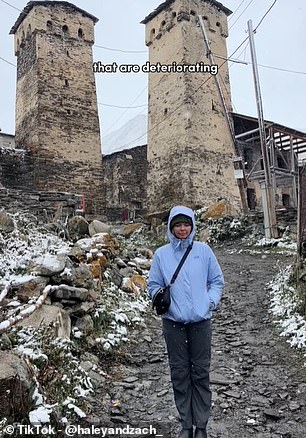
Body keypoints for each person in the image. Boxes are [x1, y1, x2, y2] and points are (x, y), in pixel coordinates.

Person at [148, 205, 224, 438]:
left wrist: (209, 302)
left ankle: (201, 425)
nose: (182, 229)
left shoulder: (203, 251)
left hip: (201, 322)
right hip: (173, 324)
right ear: (171, 227)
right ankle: (186, 424)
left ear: (192, 225)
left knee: (200, 372)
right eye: (177, 225)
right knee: (179, 373)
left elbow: (216, 281)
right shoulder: (161, 254)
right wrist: (160, 298)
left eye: (186, 224)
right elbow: (153, 285)